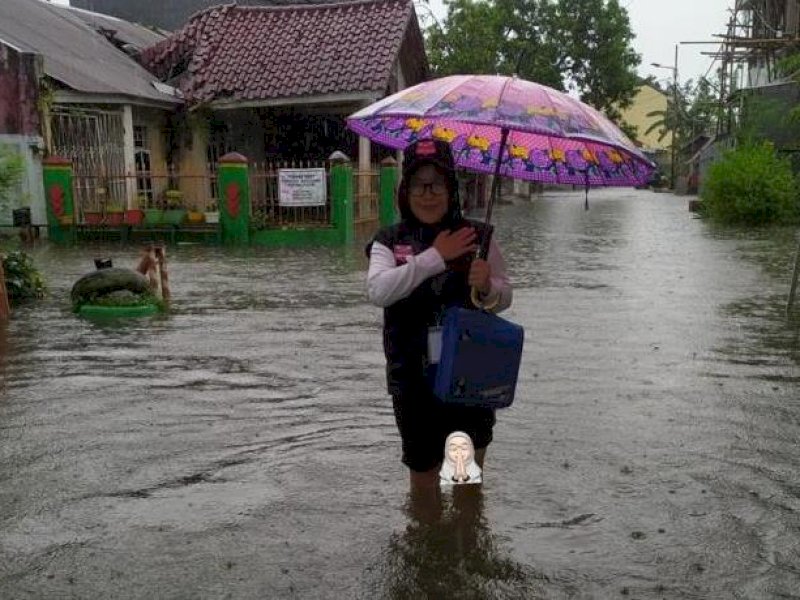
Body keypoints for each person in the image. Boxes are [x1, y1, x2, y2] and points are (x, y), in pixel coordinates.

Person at [366, 139, 512, 491]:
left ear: (451, 189)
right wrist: (435, 256)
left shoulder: (478, 237)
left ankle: (467, 529)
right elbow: (379, 291)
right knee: (423, 484)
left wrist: (487, 286)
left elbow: (505, 296)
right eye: (419, 184)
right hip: (413, 382)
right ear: (405, 190)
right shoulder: (388, 241)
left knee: (466, 481)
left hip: (470, 380)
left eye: (437, 184)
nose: (428, 194)